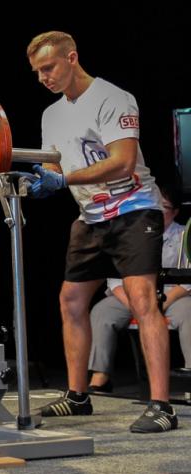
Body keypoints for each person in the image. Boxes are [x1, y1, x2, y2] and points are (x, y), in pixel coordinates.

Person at [26, 31, 177, 433]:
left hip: (134, 209)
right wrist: (37, 179)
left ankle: (162, 406)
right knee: (71, 300)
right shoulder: (51, 114)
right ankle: (78, 396)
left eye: (48, 67)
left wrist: (63, 180)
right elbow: (55, 166)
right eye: (37, 72)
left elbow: (123, 162)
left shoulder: (114, 98)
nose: (43, 77)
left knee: (142, 300)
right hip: (90, 215)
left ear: (72, 58)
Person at [89, 185, 191, 391]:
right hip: (133, 295)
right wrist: (136, 305)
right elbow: (114, 280)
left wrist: (160, 304)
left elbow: (187, 280)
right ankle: (100, 375)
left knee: (189, 312)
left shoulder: (183, 236)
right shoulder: (132, 235)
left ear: (175, 211)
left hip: (173, 296)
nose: (158, 212)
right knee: (102, 311)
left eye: (164, 207)